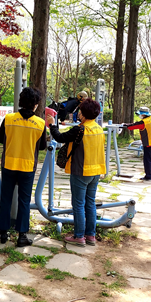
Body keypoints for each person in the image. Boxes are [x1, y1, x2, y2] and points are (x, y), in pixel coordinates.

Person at [46, 99, 105, 247]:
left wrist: (52, 125)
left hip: (80, 171)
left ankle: (79, 236)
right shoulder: (99, 129)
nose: (78, 113)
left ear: (83, 114)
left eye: (80, 111)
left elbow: (60, 137)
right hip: (96, 172)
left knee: (78, 204)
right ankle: (90, 235)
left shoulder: (80, 129)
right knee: (90, 203)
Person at [0, 87, 47, 246]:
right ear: (36, 104)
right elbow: (42, 146)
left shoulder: (9, 118)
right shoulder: (40, 123)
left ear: (20, 101)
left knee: (6, 198)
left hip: (9, 164)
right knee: (24, 201)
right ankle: (22, 235)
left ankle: (3, 232)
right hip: (27, 166)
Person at [125, 106, 151, 181]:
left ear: (143, 114)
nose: (139, 116)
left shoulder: (144, 122)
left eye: (140, 114)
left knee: (147, 160)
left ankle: (148, 176)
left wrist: (124, 125)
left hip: (149, 143)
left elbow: (132, 126)